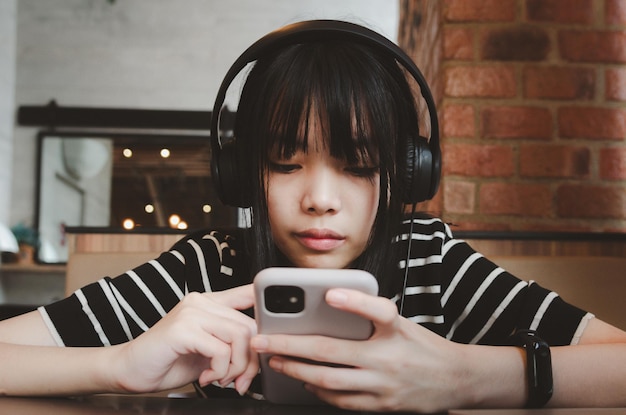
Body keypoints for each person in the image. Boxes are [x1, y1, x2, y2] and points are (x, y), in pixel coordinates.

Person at [1, 20, 625, 413]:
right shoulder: (206, 268)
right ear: (242, 172)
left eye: (356, 165)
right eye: (283, 161)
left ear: (403, 176)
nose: (320, 198)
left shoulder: (429, 258)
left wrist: (464, 376)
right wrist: (120, 363)